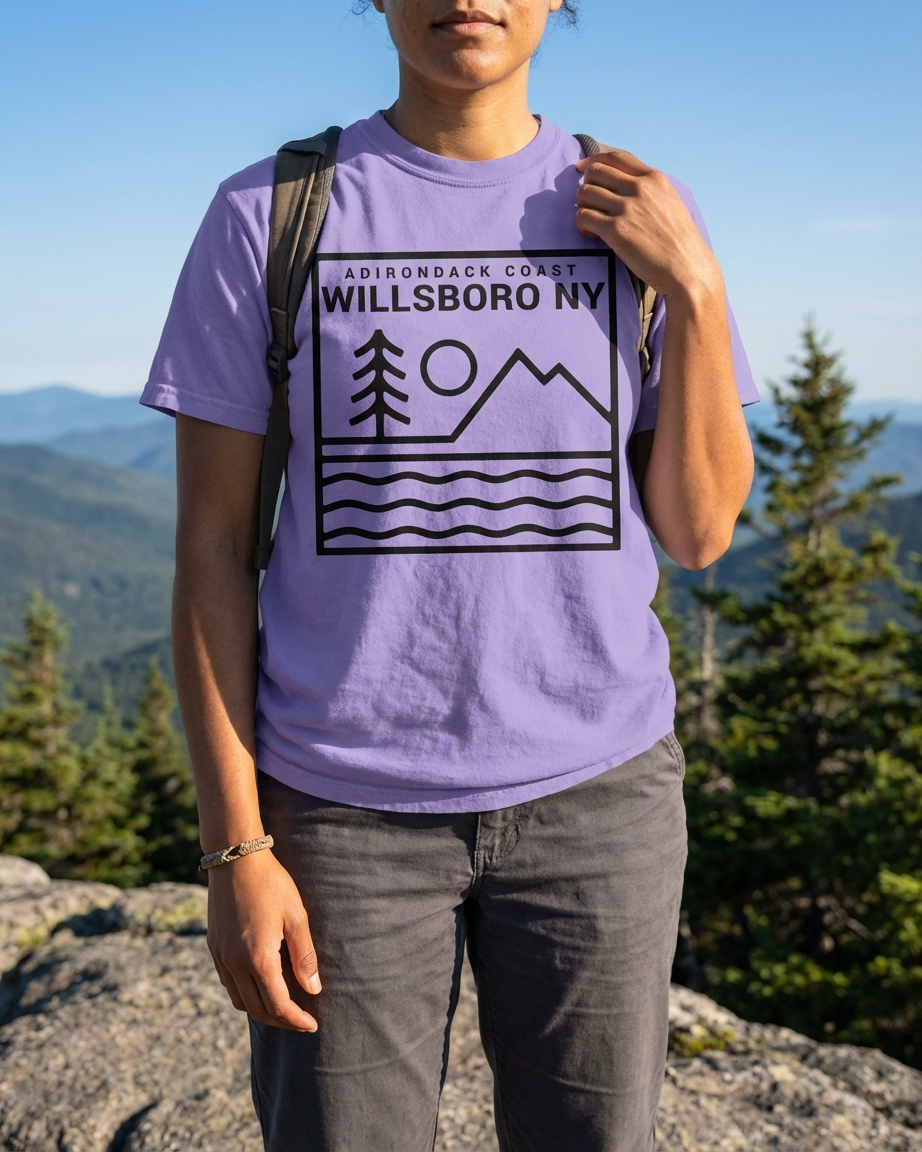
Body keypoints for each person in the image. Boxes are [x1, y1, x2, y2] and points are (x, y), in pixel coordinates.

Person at [142, 1, 757, 1148]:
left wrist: (697, 293)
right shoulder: (270, 213)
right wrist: (235, 850)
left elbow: (703, 527)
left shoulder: (632, 209)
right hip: (337, 813)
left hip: (599, 804)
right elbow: (214, 550)